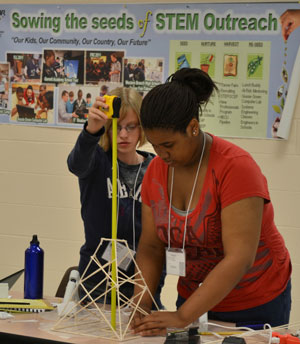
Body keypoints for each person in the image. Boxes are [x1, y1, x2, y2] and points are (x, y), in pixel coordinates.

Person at [131, 68, 292, 336]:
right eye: (155, 145)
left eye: (168, 144)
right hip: (195, 297)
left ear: (193, 127)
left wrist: (183, 315)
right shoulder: (156, 171)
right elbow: (150, 247)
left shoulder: (236, 168)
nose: (161, 154)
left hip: (254, 301)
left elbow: (240, 258)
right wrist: (140, 306)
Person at [67, 87, 165, 307]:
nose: (123, 134)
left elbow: (162, 236)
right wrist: (91, 131)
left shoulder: (156, 168)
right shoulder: (96, 161)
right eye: (116, 127)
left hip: (142, 282)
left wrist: (153, 287)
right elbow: (76, 164)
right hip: (97, 282)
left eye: (131, 127)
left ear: (141, 129)